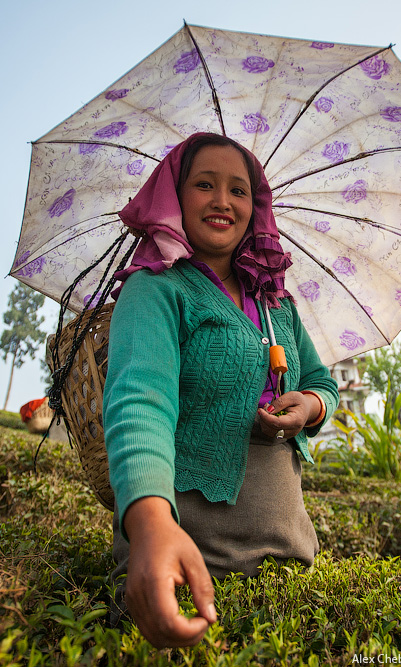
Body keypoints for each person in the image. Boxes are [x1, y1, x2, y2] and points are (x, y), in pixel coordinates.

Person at [103, 133, 338, 648]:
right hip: (187, 562)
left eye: (239, 190)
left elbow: (322, 381)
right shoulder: (155, 289)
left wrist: (312, 405)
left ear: (256, 207)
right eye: (204, 184)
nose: (222, 201)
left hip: (291, 560)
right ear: (174, 196)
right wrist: (149, 528)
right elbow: (141, 402)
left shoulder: (278, 303)